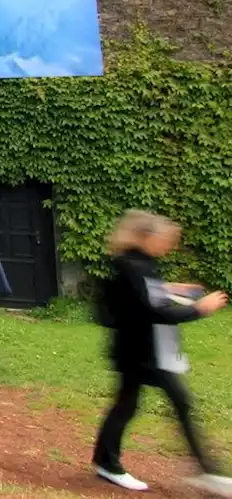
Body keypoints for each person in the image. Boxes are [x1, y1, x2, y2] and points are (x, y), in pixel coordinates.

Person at [91, 211, 232, 495]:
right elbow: (148, 310)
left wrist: (170, 288)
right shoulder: (129, 265)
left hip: (145, 350)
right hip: (139, 351)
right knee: (164, 403)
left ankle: (105, 460)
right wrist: (198, 309)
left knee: (130, 405)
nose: (170, 246)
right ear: (147, 237)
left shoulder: (140, 264)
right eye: (165, 240)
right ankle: (207, 472)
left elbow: (142, 296)